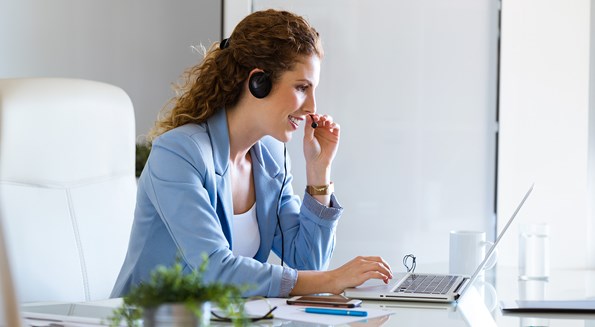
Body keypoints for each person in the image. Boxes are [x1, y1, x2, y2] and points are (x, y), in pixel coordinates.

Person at [111, 9, 392, 298]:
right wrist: (331, 280)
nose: (312, 106)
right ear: (259, 82)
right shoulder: (179, 154)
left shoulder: (271, 158)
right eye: (301, 88)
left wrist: (319, 171)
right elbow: (215, 271)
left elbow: (309, 262)